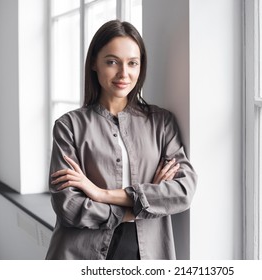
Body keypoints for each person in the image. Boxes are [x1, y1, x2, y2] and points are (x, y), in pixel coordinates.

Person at [45, 20, 197, 260]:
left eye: (132, 63)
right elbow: (69, 207)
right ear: (94, 63)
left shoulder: (162, 123)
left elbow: (182, 191)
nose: (123, 74)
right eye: (112, 62)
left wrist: (100, 194)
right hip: (80, 255)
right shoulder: (69, 126)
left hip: (150, 254)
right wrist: (137, 208)